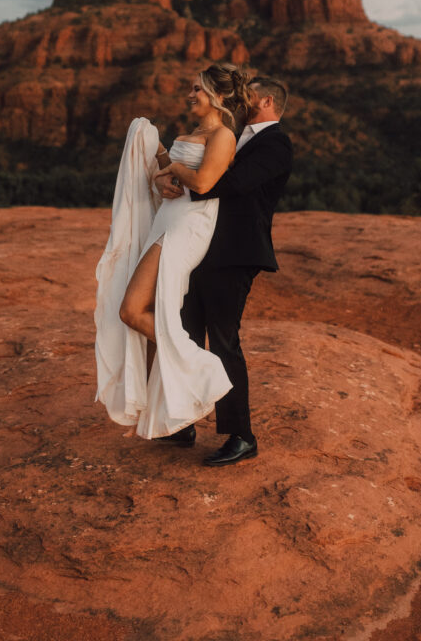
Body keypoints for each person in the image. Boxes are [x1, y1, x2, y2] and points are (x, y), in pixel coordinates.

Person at [94, 63, 253, 440]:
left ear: (216, 95)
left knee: (132, 310)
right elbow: (174, 179)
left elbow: (202, 181)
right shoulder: (197, 132)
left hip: (188, 226)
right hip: (168, 218)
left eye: (197, 89)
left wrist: (174, 169)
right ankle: (174, 402)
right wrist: (161, 161)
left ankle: (203, 367)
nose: (190, 94)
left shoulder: (223, 136)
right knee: (146, 309)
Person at [156, 76, 292, 466]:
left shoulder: (276, 143)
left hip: (236, 252)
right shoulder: (237, 134)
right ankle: (184, 420)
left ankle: (241, 435)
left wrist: (184, 172)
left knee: (223, 339)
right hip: (205, 246)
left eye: (247, 93)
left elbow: (231, 184)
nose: (237, 97)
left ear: (266, 101)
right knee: (187, 330)